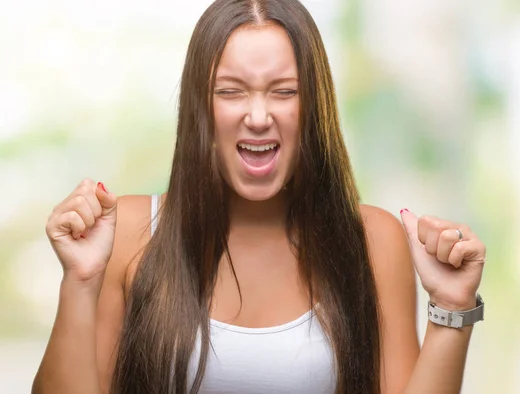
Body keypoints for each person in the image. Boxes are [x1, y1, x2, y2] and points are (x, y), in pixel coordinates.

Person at [32, 0, 487, 393]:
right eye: (231, 92)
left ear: (312, 106)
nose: (257, 116)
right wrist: (81, 281)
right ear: (200, 108)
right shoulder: (129, 232)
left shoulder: (373, 239)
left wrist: (452, 307)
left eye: (283, 92)